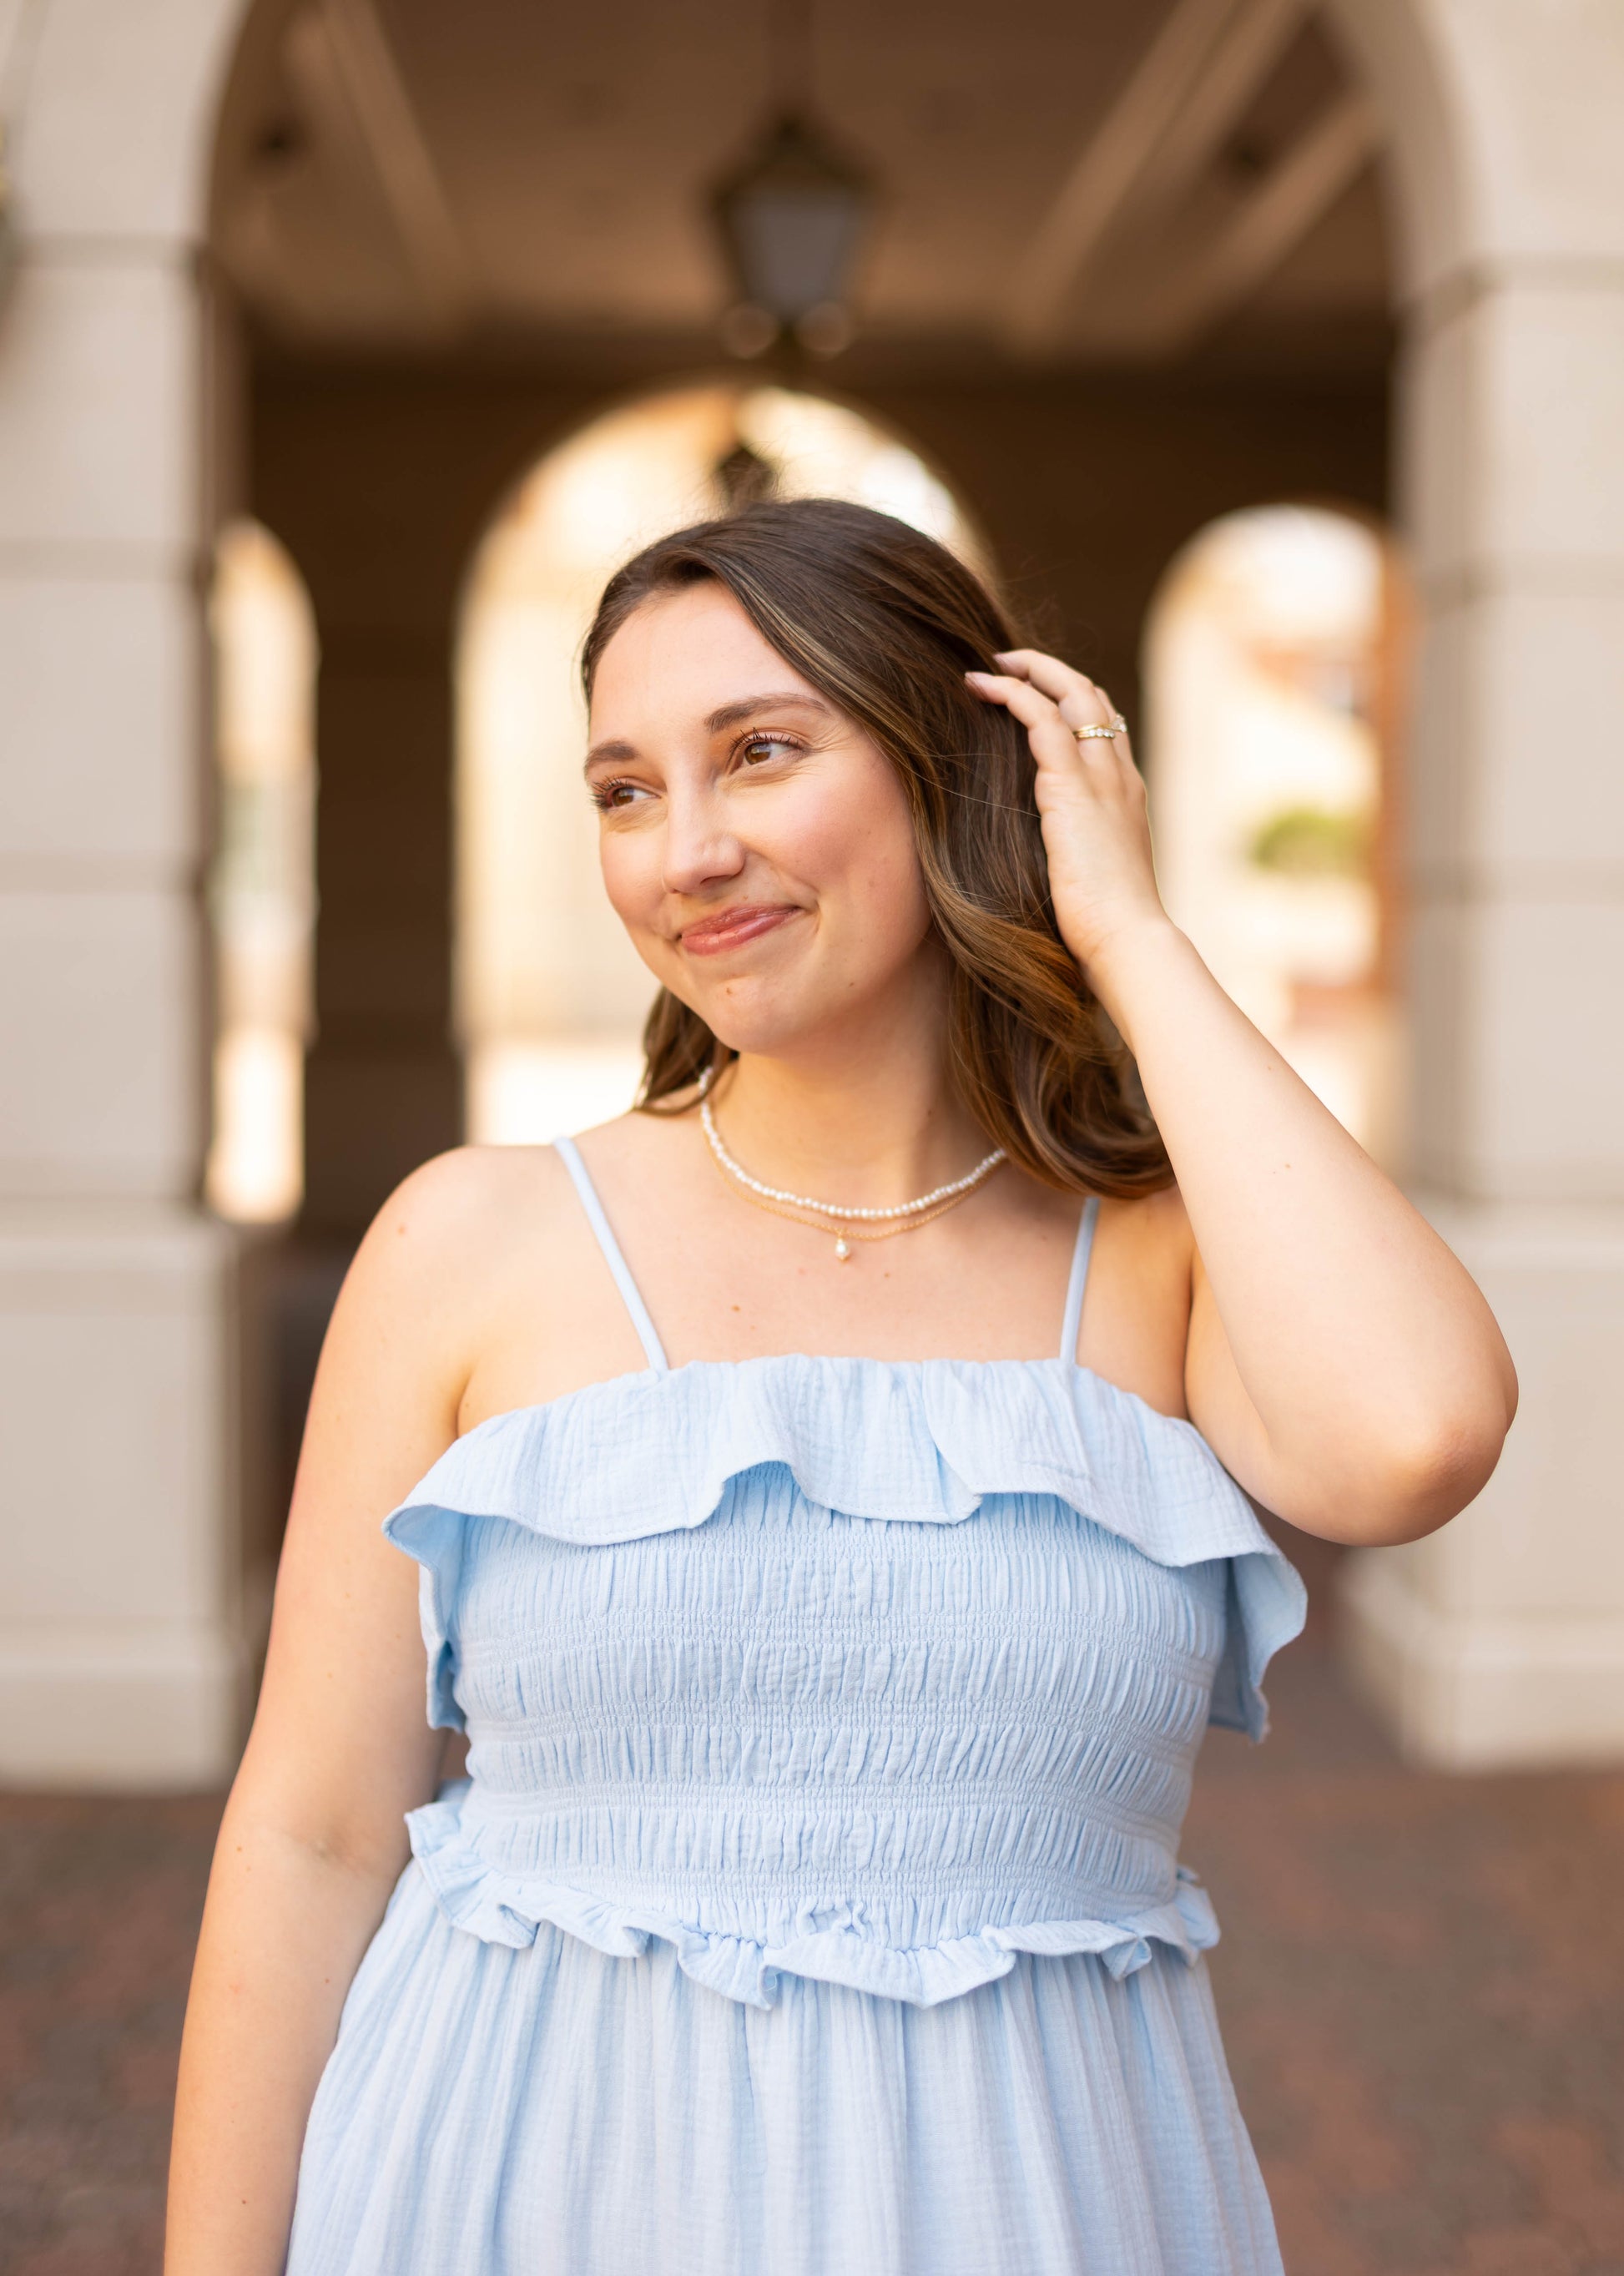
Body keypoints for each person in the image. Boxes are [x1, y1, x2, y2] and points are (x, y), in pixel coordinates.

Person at [165, 497, 1516, 2275]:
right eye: (626, 788)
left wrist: (1122, 926)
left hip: (1035, 2209)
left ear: (953, 774)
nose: (685, 850)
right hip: (520, 2187)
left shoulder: (1161, 1256)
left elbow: (1411, 1430)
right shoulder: (474, 1241)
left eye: (762, 752)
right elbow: (315, 1830)